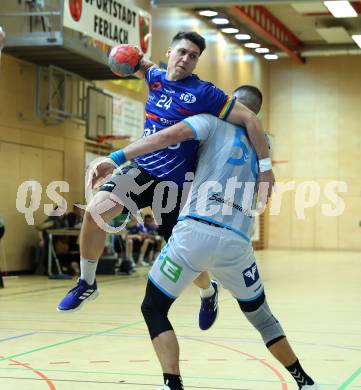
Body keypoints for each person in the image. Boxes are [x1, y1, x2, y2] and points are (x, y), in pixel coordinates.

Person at [99, 86, 323, 390]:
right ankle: (306, 382)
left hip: (195, 233)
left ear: (230, 102)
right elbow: (264, 192)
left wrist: (118, 156)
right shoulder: (264, 145)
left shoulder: (209, 120)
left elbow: (163, 138)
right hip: (238, 242)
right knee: (263, 318)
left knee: (153, 307)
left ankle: (173, 383)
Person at [57, 31, 274, 323]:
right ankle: (87, 283)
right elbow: (141, 65)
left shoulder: (203, 94)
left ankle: (208, 292)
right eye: (182, 52)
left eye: (193, 56)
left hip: (176, 186)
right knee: (94, 212)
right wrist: (127, 58)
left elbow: (250, 118)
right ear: (169, 53)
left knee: (187, 259)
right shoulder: (155, 77)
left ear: (196, 62)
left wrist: (266, 168)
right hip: (142, 171)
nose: (186, 59)